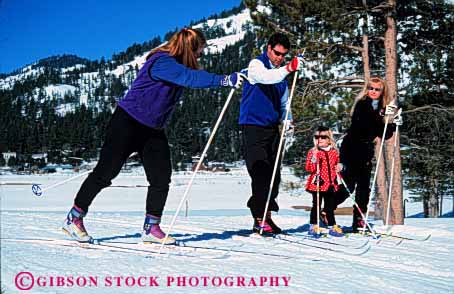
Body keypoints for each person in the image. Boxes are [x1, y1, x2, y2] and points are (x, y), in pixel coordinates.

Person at [62, 28, 244, 244]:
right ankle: (74, 218)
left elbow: (188, 76)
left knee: (160, 178)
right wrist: (223, 80)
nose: (199, 57)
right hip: (127, 122)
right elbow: (189, 77)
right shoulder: (162, 62)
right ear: (189, 48)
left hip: (153, 129)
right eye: (199, 52)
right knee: (105, 173)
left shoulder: (175, 65)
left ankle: (151, 227)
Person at [240, 32, 304, 235]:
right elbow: (266, 78)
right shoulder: (256, 65)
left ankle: (266, 214)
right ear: (268, 48)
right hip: (252, 127)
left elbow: (285, 103)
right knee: (260, 173)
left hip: (272, 128)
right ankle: (258, 216)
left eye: (283, 55)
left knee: (274, 176)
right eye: (277, 53)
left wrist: (288, 120)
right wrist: (289, 68)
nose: (279, 58)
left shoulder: (282, 77)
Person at [335, 77, 399, 232]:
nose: (374, 92)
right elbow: (369, 126)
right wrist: (384, 119)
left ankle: (359, 220)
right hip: (351, 148)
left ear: (382, 91)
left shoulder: (380, 108)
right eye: (371, 88)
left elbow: (384, 134)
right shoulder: (362, 105)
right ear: (367, 89)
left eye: (377, 89)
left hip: (366, 151)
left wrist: (393, 123)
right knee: (348, 186)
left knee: (364, 188)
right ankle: (326, 209)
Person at [305, 126, 344, 237]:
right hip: (318, 183)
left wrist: (340, 166)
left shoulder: (334, 152)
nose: (320, 139)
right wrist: (314, 158)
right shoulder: (313, 152)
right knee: (316, 205)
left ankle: (332, 226)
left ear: (329, 139)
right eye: (317, 137)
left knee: (330, 207)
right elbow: (309, 168)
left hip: (331, 184)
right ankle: (313, 225)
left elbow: (338, 164)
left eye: (323, 137)